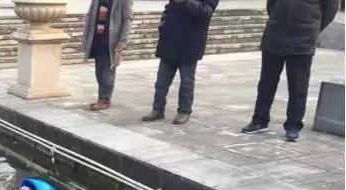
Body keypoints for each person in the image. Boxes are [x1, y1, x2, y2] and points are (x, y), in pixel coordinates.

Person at [241, 0, 340, 141]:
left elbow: (331, 10)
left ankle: (293, 125)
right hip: (275, 34)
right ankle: (259, 120)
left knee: (298, 86)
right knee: (266, 83)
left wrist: (313, 27)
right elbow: (271, 5)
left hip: (303, 39)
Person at [141, 0, 218, 125]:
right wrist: (163, 24)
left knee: (187, 81)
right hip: (170, 40)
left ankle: (184, 110)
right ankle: (157, 109)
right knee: (161, 80)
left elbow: (206, 12)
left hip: (191, 42)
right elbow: (169, 7)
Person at [82, 0, 134, 111]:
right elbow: (90, 15)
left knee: (107, 71)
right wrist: (85, 36)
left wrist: (123, 40)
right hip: (97, 38)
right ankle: (102, 97)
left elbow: (127, 19)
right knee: (99, 70)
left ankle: (104, 99)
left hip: (110, 40)